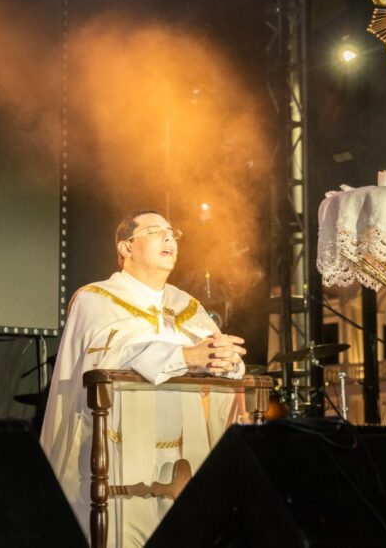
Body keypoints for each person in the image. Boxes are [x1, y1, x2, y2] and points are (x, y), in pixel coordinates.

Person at [40, 210, 247, 547]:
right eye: (154, 231)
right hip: (119, 458)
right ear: (125, 247)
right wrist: (187, 356)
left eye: (172, 232)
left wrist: (227, 361)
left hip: (183, 456)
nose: (169, 238)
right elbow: (119, 351)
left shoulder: (187, 306)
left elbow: (215, 358)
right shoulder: (95, 299)